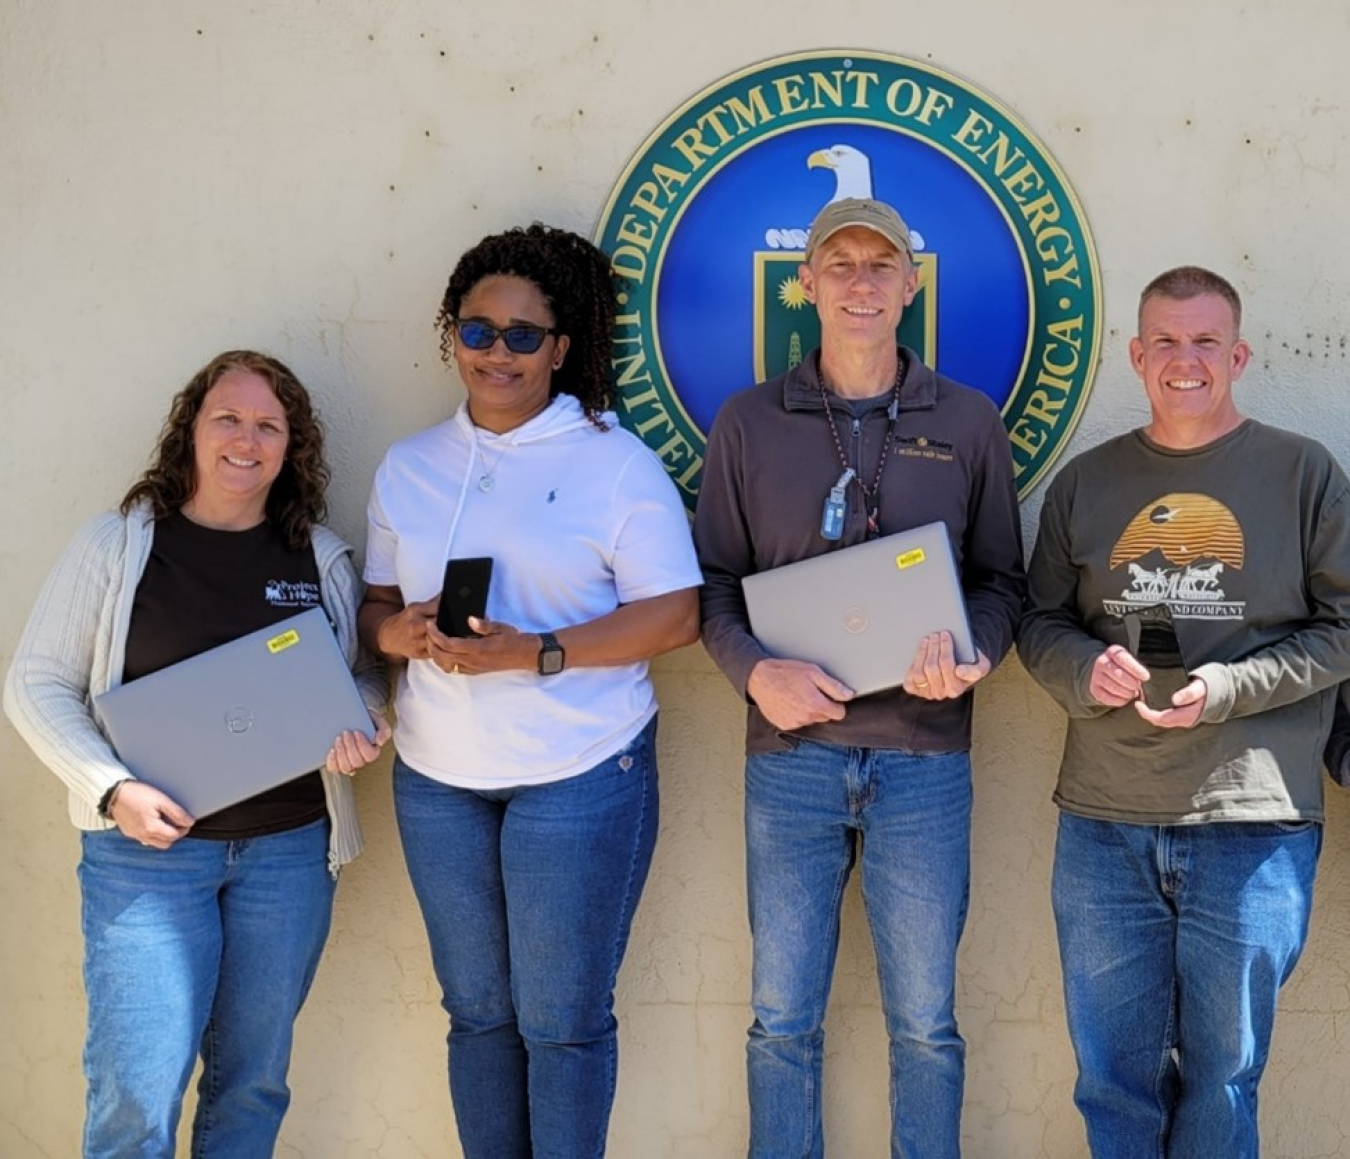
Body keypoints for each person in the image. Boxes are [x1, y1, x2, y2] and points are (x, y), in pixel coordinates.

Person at [359, 223, 702, 1158]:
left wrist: (534, 653)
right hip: (438, 779)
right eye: (477, 331)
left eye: (522, 336)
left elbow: (675, 616)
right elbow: (373, 608)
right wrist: (404, 633)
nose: (497, 353)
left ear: (561, 348)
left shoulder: (613, 461)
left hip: (580, 772)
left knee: (561, 1020)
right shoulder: (409, 465)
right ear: (452, 338)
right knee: (476, 1015)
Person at [693, 197, 1025, 1158]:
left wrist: (977, 658)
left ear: (913, 285)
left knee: (926, 1022)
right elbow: (714, 586)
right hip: (791, 760)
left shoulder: (967, 419)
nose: (861, 282)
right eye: (839, 264)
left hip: (925, 765)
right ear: (804, 285)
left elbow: (1002, 580)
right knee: (781, 1020)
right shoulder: (749, 421)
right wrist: (758, 677)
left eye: (882, 265)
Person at [3, 350, 391, 1158]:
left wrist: (368, 723)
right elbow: (35, 684)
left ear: (293, 447)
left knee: (251, 1085)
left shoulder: (317, 556)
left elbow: (364, 675)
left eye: (267, 425)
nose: (245, 440)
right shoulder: (117, 545)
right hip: (147, 858)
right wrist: (111, 789)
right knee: (135, 1093)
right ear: (190, 430)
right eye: (228, 418)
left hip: (286, 856)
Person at [1018, 266, 1350, 1158]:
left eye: (1206, 341)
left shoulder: (1304, 474)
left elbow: (1345, 628)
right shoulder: (1088, 484)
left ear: (1238, 355)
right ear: (1136, 354)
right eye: (1165, 340)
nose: (1185, 359)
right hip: (1104, 824)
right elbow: (1038, 621)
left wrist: (1230, 688)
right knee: (1113, 1084)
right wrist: (1083, 668)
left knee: (1225, 1081)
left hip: (1254, 821)